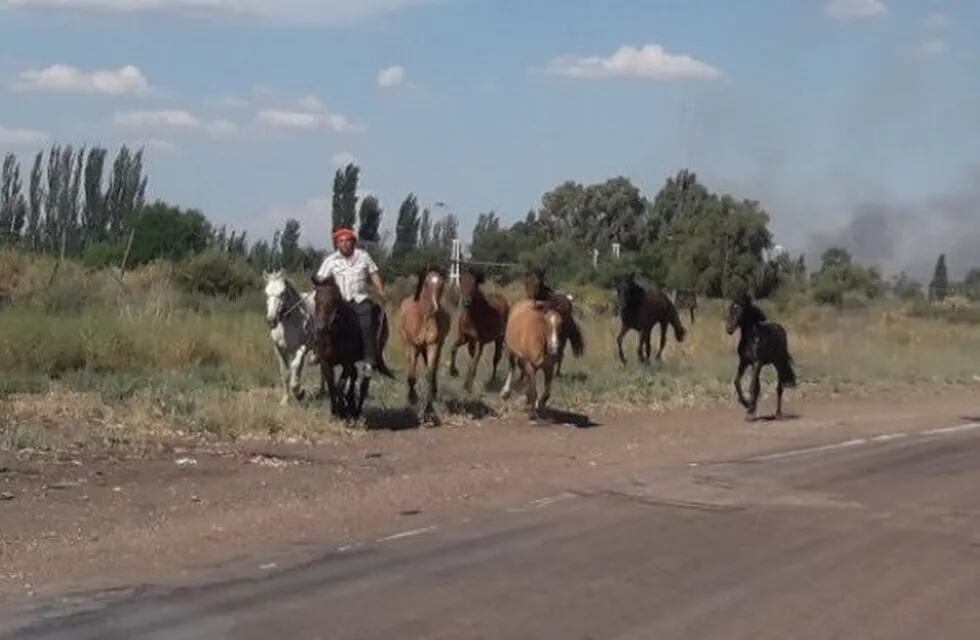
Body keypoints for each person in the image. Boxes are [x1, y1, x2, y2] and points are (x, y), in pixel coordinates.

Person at [313, 228, 388, 377]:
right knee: (321, 320)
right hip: (339, 302)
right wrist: (318, 286)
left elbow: (373, 273)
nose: (345, 244)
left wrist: (380, 290)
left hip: (360, 300)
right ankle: (317, 352)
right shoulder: (331, 260)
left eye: (348, 241)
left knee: (367, 321)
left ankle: (369, 359)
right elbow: (320, 279)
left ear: (353, 242)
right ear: (337, 244)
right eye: (341, 242)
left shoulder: (363, 256)